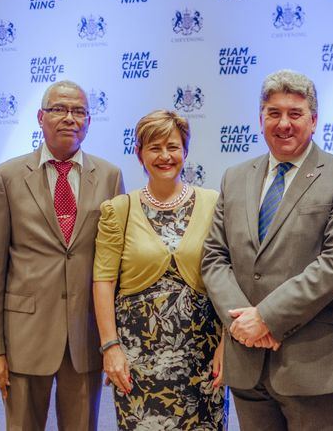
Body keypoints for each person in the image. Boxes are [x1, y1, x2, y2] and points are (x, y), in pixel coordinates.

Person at [202, 69, 333, 431]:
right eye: (273, 113)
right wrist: (241, 324)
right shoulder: (235, 177)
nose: (284, 124)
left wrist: (266, 317)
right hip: (245, 356)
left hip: (310, 362)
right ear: (259, 119)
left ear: (314, 120)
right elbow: (215, 257)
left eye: (295, 114)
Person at [0, 80, 124, 430]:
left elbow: (117, 264)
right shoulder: (7, 177)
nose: (69, 118)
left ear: (88, 122)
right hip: (24, 337)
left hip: (85, 337)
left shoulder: (109, 176)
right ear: (40, 117)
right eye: (59, 109)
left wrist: (114, 342)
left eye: (79, 112)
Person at [92, 110, 226, 430]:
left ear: (185, 151)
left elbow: (228, 276)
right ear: (139, 154)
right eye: (154, 148)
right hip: (137, 360)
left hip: (203, 357)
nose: (165, 156)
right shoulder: (119, 210)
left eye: (173, 146)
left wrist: (227, 345)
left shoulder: (214, 204)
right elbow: (103, 281)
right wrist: (110, 348)